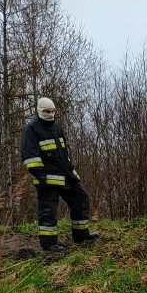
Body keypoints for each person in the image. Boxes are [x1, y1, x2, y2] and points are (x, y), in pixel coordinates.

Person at [20, 97, 99, 252]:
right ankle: (49, 244)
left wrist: (71, 171)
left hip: (65, 175)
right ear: (39, 111)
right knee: (48, 210)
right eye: (47, 111)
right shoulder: (32, 129)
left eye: (53, 111)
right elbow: (29, 156)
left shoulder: (56, 127)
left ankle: (81, 234)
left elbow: (63, 153)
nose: (50, 114)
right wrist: (40, 175)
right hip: (47, 179)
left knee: (81, 199)